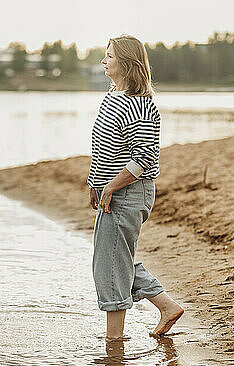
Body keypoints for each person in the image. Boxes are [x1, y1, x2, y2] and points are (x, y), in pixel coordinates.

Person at [87, 34, 185, 341]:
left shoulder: (140, 105)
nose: (104, 61)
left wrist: (110, 187)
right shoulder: (113, 97)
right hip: (114, 192)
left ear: (127, 64)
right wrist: (95, 183)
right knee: (114, 258)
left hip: (129, 191)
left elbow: (144, 158)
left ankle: (114, 344)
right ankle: (166, 306)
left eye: (110, 57)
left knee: (111, 263)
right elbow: (102, 147)